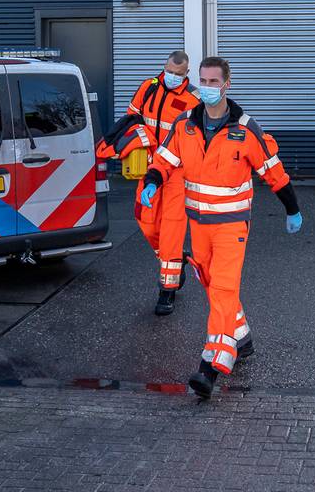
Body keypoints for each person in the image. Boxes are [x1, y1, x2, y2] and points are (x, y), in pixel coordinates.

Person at [139, 56, 302, 399]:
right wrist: (153, 180)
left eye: (214, 82)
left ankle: (210, 366)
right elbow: (165, 159)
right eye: (203, 81)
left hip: (231, 227)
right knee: (213, 285)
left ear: (228, 83)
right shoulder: (184, 124)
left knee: (224, 289)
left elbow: (272, 170)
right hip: (199, 226)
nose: (207, 88)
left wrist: (292, 207)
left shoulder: (244, 129)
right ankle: (241, 339)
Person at [98, 50, 200, 316]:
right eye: (170, 71)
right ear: (163, 67)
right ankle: (175, 259)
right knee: (146, 221)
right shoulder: (148, 87)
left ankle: (167, 291)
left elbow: (197, 142)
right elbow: (132, 119)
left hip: (178, 173)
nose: (173, 77)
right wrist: (130, 145)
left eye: (179, 74)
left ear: (187, 74)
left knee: (171, 229)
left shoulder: (194, 100)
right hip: (150, 169)